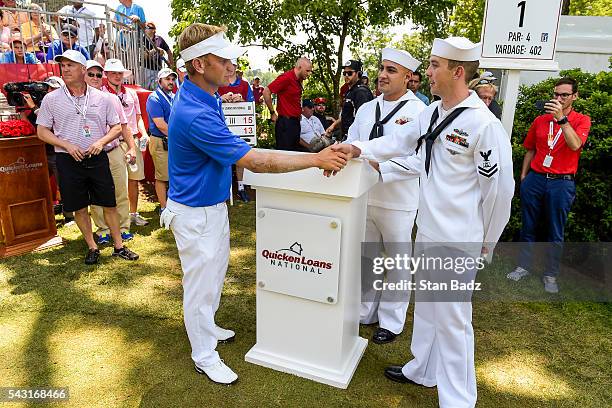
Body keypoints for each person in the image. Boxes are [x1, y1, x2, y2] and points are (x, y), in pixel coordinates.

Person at [331, 37, 514, 408]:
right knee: (429, 310)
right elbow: (400, 141)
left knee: (452, 321)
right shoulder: (434, 112)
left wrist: (486, 242)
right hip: (429, 228)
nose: (426, 74)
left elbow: (500, 192)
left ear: (457, 72)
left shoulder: (483, 124)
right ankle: (423, 370)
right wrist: (357, 148)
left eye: (433, 66)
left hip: (458, 237)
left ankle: (459, 400)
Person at [161, 23, 347, 385]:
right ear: (199, 65)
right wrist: (316, 159)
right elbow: (254, 161)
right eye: (224, 59)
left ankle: (208, 328)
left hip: (211, 207)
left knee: (213, 277)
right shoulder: (194, 111)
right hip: (195, 213)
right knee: (199, 289)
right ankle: (203, 354)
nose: (232, 65)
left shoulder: (207, 96)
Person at [346, 48, 426, 345]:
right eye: (382, 68)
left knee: (397, 261)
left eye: (392, 70)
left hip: (398, 198)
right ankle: (365, 311)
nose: (383, 75)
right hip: (364, 193)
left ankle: (391, 321)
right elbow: (352, 140)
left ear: (408, 77)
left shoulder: (419, 111)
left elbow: (421, 160)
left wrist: (385, 167)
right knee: (366, 257)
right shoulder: (367, 108)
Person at [36, 50, 139, 265]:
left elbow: (117, 127)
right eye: (63, 65)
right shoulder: (51, 99)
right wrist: (66, 145)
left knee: (108, 203)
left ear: (83, 69)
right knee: (80, 206)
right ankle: (92, 247)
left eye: (70, 65)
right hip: (68, 160)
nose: (65, 69)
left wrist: (101, 142)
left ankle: (118, 246)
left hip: (97, 158)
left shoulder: (103, 98)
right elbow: (42, 131)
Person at [507, 77, 591, 294]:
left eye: (564, 95)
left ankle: (550, 274)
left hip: (561, 183)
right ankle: (523, 266)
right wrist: (525, 178)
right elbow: (530, 149)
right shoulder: (540, 120)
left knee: (555, 231)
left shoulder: (582, 120)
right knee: (528, 226)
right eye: (556, 94)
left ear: (575, 96)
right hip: (536, 178)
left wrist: (562, 119)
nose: (559, 98)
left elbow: (575, 145)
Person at [85, 59, 138, 244]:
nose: (95, 78)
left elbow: (125, 126)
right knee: (96, 194)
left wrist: (131, 147)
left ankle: (123, 227)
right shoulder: (78, 101)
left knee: (120, 190)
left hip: (114, 150)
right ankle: (103, 230)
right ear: (84, 75)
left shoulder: (112, 98)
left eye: (98, 75)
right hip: (91, 154)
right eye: (91, 74)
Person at [102, 58, 150, 227]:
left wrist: (144, 133)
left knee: (134, 179)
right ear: (106, 74)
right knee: (116, 182)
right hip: (112, 143)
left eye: (119, 73)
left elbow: (138, 118)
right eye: (113, 73)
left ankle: (133, 214)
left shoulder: (131, 93)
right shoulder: (101, 93)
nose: (117, 76)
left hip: (133, 140)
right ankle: (116, 218)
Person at [218, 58, 254, 202]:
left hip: (240, 125)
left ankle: (240, 187)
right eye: (228, 64)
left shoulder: (244, 84)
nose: (230, 67)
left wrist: (241, 100)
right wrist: (222, 98)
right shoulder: (220, 82)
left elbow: (251, 104)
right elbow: (211, 99)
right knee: (223, 157)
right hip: (223, 125)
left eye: (233, 64)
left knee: (240, 157)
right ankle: (224, 188)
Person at [263, 56, 313, 151]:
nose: (309, 73)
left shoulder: (298, 80)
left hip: (295, 123)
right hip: (286, 124)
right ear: (299, 68)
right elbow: (266, 91)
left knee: (294, 154)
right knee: (286, 155)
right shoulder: (286, 78)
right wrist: (272, 112)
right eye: (307, 71)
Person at [146, 67, 176, 213]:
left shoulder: (173, 96)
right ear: (160, 81)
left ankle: (172, 204)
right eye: (167, 79)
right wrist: (180, 137)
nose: (171, 82)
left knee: (173, 174)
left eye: (172, 79)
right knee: (162, 176)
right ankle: (163, 207)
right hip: (160, 140)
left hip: (172, 140)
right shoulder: (154, 98)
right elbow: (161, 125)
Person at [325, 60, 373, 140]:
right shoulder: (350, 91)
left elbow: (364, 121)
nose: (346, 75)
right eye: (344, 73)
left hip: (356, 139)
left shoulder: (361, 92)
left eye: (350, 73)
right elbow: (347, 115)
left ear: (358, 74)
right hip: (347, 136)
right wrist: (333, 126)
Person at [142, 22, 174, 90]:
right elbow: (144, 56)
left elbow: (169, 51)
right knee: (145, 89)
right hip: (145, 69)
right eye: (145, 27)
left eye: (147, 27)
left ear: (153, 30)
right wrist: (155, 50)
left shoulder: (159, 39)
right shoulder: (142, 39)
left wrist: (171, 65)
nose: (145, 29)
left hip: (158, 70)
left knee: (157, 89)